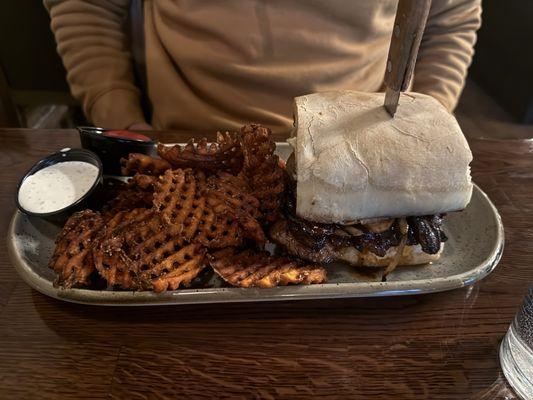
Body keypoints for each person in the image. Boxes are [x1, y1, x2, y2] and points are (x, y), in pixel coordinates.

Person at [44, 0, 481, 133]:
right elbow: (88, 5)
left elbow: (449, 17)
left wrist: (419, 126)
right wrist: (124, 125)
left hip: (361, 142)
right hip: (179, 145)